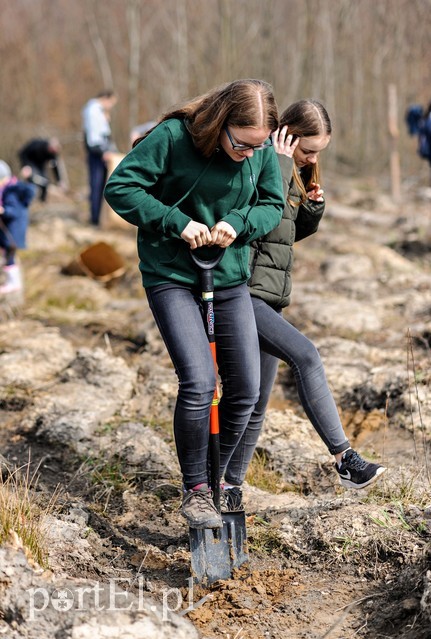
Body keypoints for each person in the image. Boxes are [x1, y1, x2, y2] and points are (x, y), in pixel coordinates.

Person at [104, 79, 285, 529]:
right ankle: (196, 490)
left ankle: (219, 478)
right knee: (201, 382)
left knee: (245, 387)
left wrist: (239, 223)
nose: (249, 154)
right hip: (172, 275)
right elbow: (121, 188)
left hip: (228, 276)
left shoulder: (259, 151)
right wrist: (175, 222)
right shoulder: (173, 138)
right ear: (222, 124)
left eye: (257, 147)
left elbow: (272, 204)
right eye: (242, 145)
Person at [220, 99, 386, 512]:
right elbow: (256, 217)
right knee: (307, 356)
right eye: (308, 150)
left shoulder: (289, 171)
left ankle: (227, 485)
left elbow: (283, 235)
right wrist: (279, 168)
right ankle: (345, 459)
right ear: (286, 134)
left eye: (318, 153)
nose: (312, 159)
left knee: (255, 402)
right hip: (242, 292)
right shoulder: (257, 161)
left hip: (268, 298)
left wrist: (311, 205)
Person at [82, 90, 118, 226]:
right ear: (105, 98)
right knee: (97, 186)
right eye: (111, 103)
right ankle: (95, 218)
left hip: (100, 151)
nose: (111, 107)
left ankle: (98, 217)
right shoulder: (93, 110)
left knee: (100, 186)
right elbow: (94, 138)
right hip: (97, 153)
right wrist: (103, 151)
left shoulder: (97, 111)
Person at [0, 160, 35, 295]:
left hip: (13, 231)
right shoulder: (8, 189)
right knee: (8, 255)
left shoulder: (11, 192)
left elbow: (15, 211)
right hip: (10, 231)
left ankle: (13, 283)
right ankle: (12, 282)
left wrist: (3, 211)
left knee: (10, 256)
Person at [18, 137, 66, 202]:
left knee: (45, 181)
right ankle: (27, 199)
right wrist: (25, 166)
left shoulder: (53, 154)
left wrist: (59, 180)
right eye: (52, 150)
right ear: (50, 146)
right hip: (30, 163)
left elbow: (54, 167)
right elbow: (22, 153)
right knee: (34, 179)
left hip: (40, 166)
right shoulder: (37, 144)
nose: (53, 152)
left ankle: (42, 201)